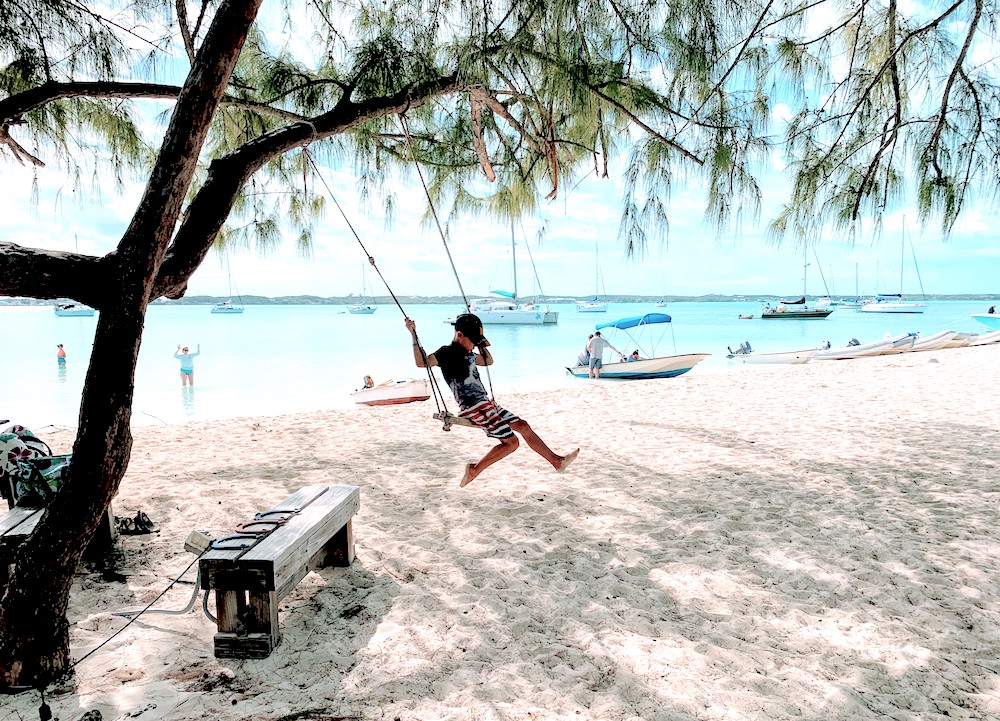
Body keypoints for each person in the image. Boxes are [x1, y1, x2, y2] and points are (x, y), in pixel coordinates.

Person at [405, 313, 579, 487]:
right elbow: (422, 362)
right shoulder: (446, 353)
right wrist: (413, 334)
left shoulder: (471, 354)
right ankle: (474, 470)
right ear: (459, 335)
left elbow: (488, 360)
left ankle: (556, 461)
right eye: (471, 340)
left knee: (523, 426)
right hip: (473, 407)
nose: (473, 344)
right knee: (512, 443)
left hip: (487, 404)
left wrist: (480, 343)